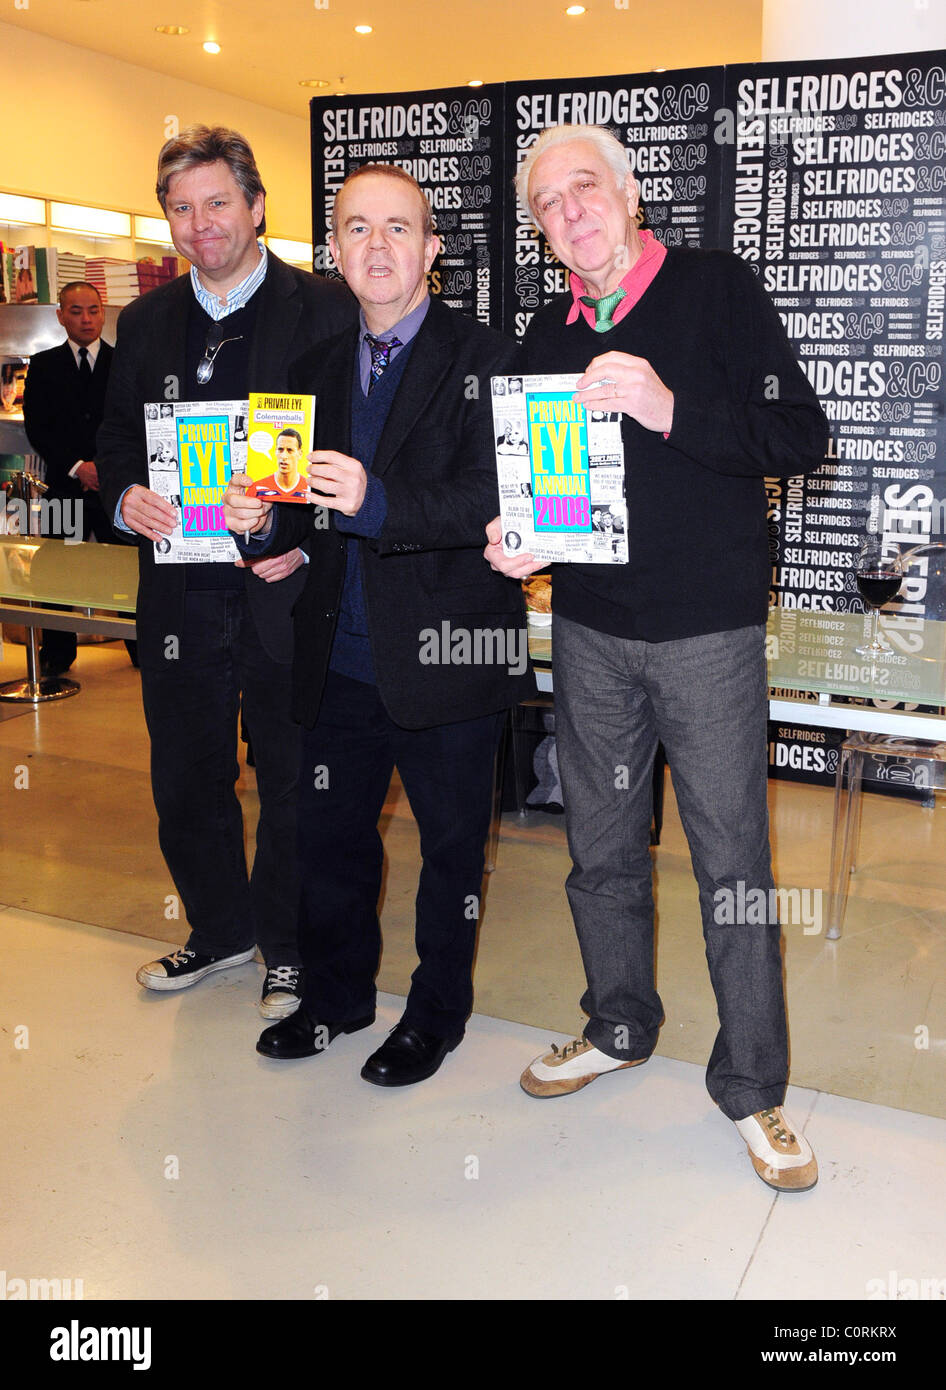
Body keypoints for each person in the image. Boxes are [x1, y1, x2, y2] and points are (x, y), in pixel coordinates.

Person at [485, 123, 829, 1192]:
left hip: (707, 635)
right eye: (548, 202)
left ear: (630, 195)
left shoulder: (717, 290)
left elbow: (797, 437)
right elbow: (551, 485)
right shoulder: (546, 329)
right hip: (589, 627)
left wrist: (666, 405)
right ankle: (619, 1023)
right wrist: (523, 542)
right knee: (598, 848)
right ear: (539, 230)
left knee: (732, 866)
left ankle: (754, 1085)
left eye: (585, 187)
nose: (569, 210)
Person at [223, 163, 533, 1086]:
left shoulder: (490, 360)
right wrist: (254, 523)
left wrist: (378, 501)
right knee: (330, 843)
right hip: (337, 657)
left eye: (400, 228)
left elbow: (498, 495)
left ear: (433, 250)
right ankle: (337, 997)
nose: (378, 246)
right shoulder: (309, 370)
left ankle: (436, 1015)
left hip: (449, 655)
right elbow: (289, 511)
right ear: (334, 251)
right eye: (358, 228)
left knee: (449, 855)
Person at [97, 125, 356, 1020]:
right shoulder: (144, 322)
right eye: (180, 208)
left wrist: (307, 534)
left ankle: (288, 951)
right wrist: (127, 490)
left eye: (217, 203)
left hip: (283, 585)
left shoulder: (326, 309)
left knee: (290, 773)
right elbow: (116, 440)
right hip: (178, 590)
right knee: (185, 771)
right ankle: (219, 930)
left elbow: (354, 446)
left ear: (255, 206)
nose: (200, 224)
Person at [22, 281, 138, 676]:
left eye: (93, 310)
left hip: (115, 488)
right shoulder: (43, 365)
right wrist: (77, 466)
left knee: (126, 569)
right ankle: (57, 654)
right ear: (60, 315)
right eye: (76, 311)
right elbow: (37, 427)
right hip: (64, 487)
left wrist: (105, 467)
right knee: (58, 571)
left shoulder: (124, 362)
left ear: (103, 313)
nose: (86, 319)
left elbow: (132, 424)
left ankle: (141, 650)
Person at [246, 428, 306, 499]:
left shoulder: (308, 488)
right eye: (280, 449)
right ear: (275, 451)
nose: (284, 456)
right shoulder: (257, 488)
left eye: (290, 450)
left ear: (300, 454)